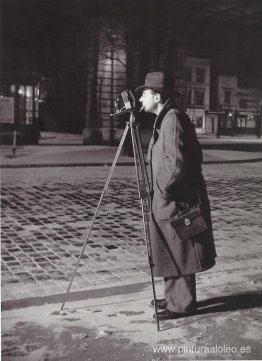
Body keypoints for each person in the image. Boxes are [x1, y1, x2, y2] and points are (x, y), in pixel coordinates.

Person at [136, 71, 217, 320]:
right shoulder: (165, 118)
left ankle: (181, 303)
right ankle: (173, 295)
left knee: (179, 248)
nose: (140, 100)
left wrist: (161, 190)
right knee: (169, 248)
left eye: (144, 94)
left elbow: (177, 162)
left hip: (175, 200)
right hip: (169, 198)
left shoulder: (172, 119)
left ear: (157, 95)